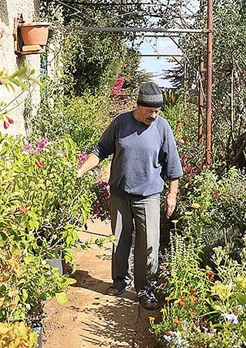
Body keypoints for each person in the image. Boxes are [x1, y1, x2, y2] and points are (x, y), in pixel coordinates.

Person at [76, 82, 183, 310]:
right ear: (138, 106)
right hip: (120, 195)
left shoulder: (162, 128)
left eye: (157, 111)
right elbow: (101, 150)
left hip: (148, 196)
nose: (154, 116)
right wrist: (80, 170)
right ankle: (121, 280)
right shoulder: (120, 123)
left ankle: (146, 289)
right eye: (150, 111)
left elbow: (173, 166)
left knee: (148, 245)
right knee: (120, 240)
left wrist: (171, 195)